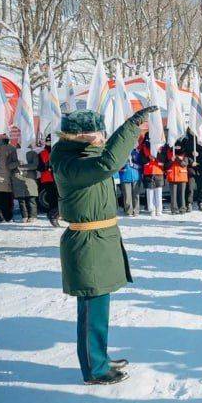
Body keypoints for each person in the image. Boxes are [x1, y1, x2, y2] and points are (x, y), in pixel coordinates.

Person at [51, 105, 157, 385]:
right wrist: (130, 128)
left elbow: (107, 155)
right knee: (92, 310)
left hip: (98, 240)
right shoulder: (70, 163)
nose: (101, 136)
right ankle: (94, 369)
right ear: (79, 135)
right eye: (96, 132)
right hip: (88, 243)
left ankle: (99, 357)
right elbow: (108, 163)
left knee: (99, 307)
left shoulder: (80, 153)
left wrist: (129, 129)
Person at [13, 146, 40, 223]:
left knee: (31, 198)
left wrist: (21, 167)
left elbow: (35, 165)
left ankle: (33, 216)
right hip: (18, 178)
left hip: (30, 179)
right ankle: (24, 216)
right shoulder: (14, 154)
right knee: (21, 200)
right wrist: (17, 163)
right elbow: (9, 165)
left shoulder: (33, 153)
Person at [138, 135, 164, 216]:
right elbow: (141, 160)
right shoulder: (144, 147)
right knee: (150, 192)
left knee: (158, 192)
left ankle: (159, 209)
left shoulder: (161, 146)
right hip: (148, 171)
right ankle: (151, 209)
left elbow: (164, 159)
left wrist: (157, 155)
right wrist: (148, 158)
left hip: (158, 171)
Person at [37, 136, 60, 226]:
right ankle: (52, 214)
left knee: (58, 197)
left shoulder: (57, 152)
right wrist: (46, 166)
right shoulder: (42, 153)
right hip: (47, 179)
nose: (49, 143)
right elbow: (39, 167)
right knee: (51, 198)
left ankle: (55, 215)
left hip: (57, 178)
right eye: (48, 141)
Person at [164, 142, 189, 215]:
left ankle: (182, 209)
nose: (177, 148)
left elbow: (184, 164)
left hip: (182, 176)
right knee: (173, 195)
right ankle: (174, 209)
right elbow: (166, 166)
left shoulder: (185, 154)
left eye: (178, 147)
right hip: (172, 176)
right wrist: (171, 160)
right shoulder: (169, 153)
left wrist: (177, 158)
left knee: (182, 194)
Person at [117, 150, 141, 216]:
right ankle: (129, 211)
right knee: (127, 196)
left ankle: (136, 211)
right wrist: (121, 168)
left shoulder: (136, 153)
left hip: (135, 177)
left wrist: (133, 165)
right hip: (125, 177)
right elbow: (117, 164)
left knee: (136, 195)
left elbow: (141, 165)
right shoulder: (121, 153)